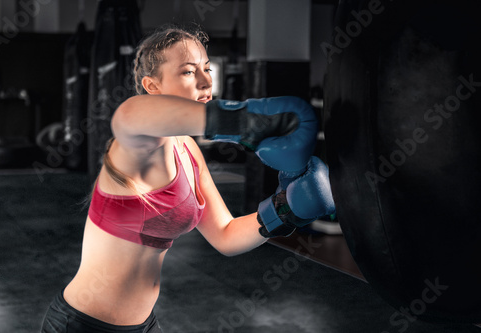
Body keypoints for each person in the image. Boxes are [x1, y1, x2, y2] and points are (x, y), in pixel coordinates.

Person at [41, 25, 334, 333]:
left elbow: (225, 235)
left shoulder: (188, 150)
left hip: (144, 325)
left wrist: (285, 210)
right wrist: (249, 120)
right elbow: (127, 115)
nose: (207, 81)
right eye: (188, 72)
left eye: (207, 69)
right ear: (152, 86)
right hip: (83, 326)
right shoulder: (134, 144)